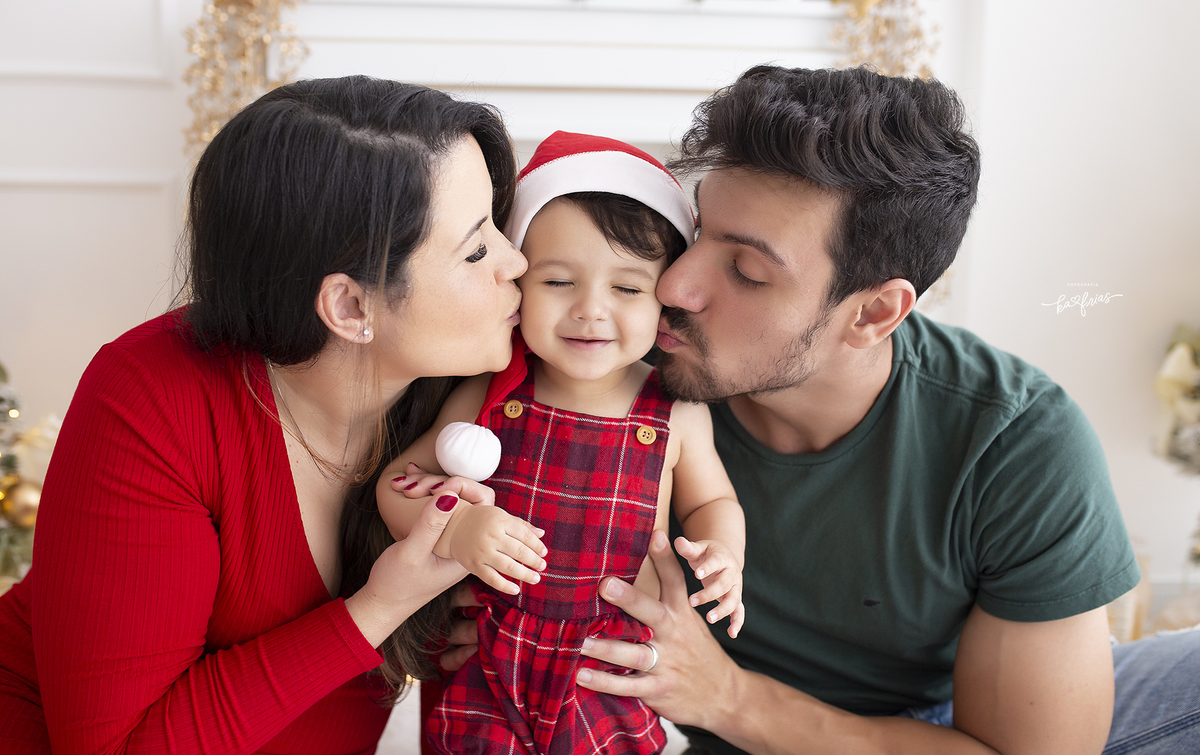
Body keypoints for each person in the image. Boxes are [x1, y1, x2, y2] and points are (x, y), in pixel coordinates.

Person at [571, 65, 1200, 755]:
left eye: (747, 271)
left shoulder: (1014, 441)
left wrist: (728, 697)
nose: (676, 284)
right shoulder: (603, 368)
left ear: (873, 313)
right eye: (697, 233)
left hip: (937, 724)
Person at [0, 75, 529, 754]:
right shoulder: (151, 398)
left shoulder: (476, 381)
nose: (517, 262)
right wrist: (380, 607)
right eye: (477, 249)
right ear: (351, 308)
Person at [374, 131, 746, 755]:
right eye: (557, 282)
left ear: (664, 298)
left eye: (626, 289)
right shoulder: (494, 392)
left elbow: (714, 503)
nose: (590, 311)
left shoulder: (673, 406)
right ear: (518, 281)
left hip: (609, 667)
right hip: (491, 659)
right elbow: (400, 482)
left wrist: (723, 555)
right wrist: (456, 528)